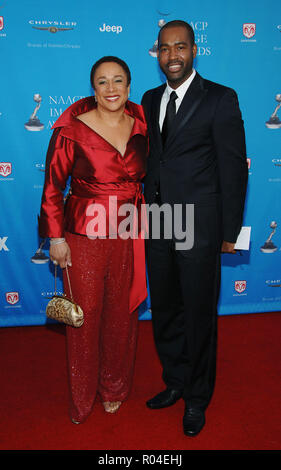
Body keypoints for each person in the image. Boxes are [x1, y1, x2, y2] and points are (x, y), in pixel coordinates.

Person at [141, 20, 248, 436]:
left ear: (194, 50)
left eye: (179, 47)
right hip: (160, 223)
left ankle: (197, 398)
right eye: (164, 49)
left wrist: (230, 231)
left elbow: (233, 167)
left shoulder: (220, 98)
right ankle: (176, 382)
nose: (172, 56)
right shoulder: (150, 99)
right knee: (166, 310)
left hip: (199, 226)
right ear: (158, 54)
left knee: (200, 313)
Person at [39, 56, 148, 424]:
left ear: (129, 87)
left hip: (129, 232)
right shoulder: (72, 128)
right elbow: (53, 187)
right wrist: (55, 237)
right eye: (103, 82)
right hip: (83, 236)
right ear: (93, 88)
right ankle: (83, 398)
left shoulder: (143, 124)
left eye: (119, 80)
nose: (112, 88)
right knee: (84, 321)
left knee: (122, 316)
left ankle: (113, 388)